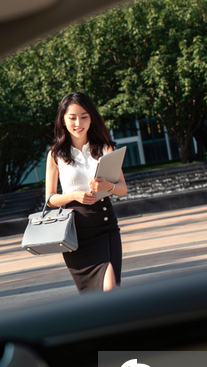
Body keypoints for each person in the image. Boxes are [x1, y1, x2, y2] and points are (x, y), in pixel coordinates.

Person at [45, 92, 127, 293]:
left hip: (105, 228)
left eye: (84, 116)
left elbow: (123, 189)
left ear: (91, 118)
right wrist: (74, 195)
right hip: (75, 235)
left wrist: (106, 186)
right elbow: (50, 199)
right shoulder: (55, 154)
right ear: (63, 120)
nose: (78, 123)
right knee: (93, 298)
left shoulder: (105, 148)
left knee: (111, 288)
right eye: (72, 117)